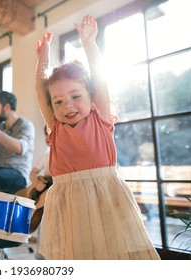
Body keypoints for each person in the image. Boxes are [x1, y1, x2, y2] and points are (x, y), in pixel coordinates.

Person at [35, 15, 160, 260]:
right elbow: (41, 91)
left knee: (114, 253)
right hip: (69, 203)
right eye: (58, 101)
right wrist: (42, 60)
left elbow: (100, 78)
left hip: (105, 196)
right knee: (75, 255)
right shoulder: (55, 126)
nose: (67, 105)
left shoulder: (99, 115)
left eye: (75, 97)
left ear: (91, 96)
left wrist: (89, 44)